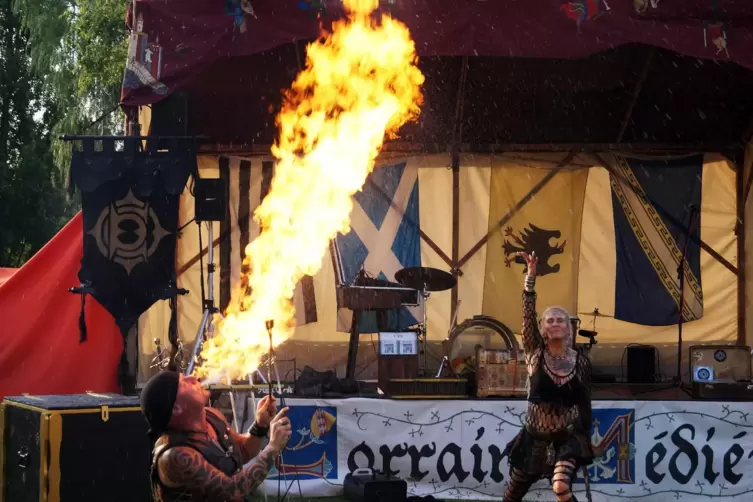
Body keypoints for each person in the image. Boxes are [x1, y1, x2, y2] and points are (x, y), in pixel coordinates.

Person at [502, 251, 594, 502]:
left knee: (561, 487)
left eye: (560, 320)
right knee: (511, 496)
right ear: (542, 328)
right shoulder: (534, 353)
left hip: (567, 438)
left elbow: (585, 402)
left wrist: (586, 436)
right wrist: (529, 281)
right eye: (549, 320)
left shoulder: (581, 362)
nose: (554, 323)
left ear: (568, 328)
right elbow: (526, 317)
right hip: (534, 438)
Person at [140, 371, 292, 501]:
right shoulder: (176, 456)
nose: (192, 378)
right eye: (184, 383)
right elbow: (231, 490)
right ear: (177, 408)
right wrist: (272, 449)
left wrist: (260, 425)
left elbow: (243, 451)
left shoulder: (211, 416)